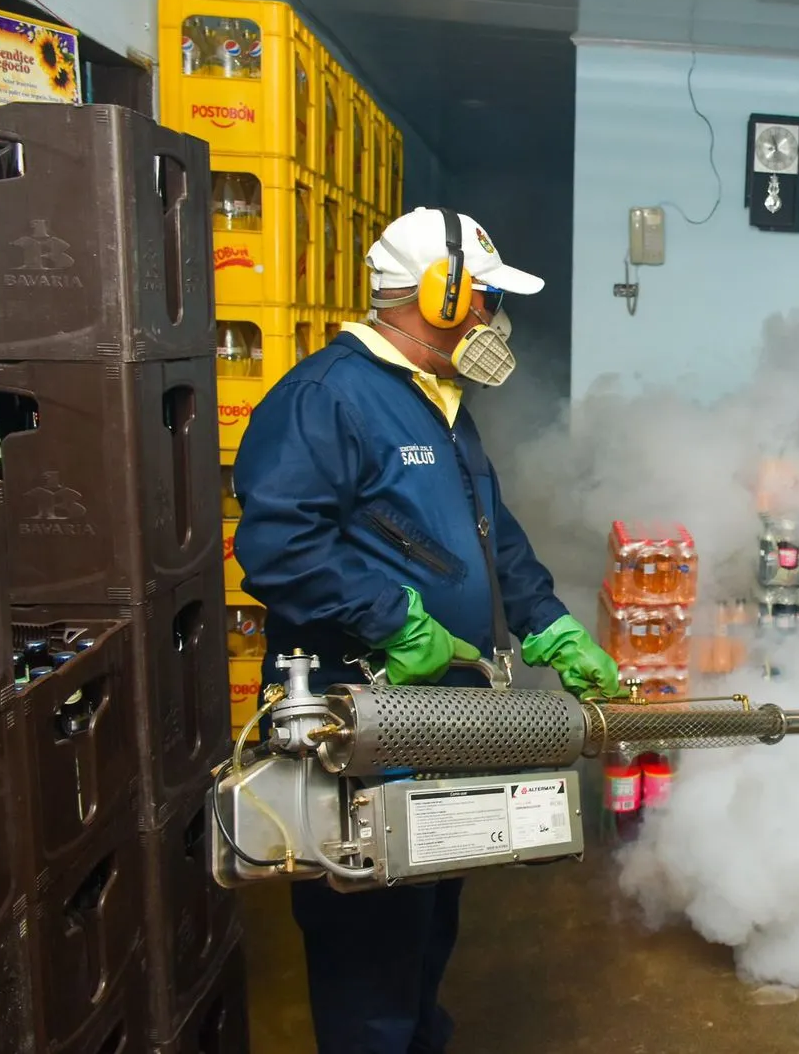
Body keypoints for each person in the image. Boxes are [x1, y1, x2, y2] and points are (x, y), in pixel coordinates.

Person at [232, 206, 623, 1052]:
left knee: (425, 937)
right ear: (441, 297)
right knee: (367, 959)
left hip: (436, 727)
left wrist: (548, 624)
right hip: (361, 731)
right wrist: (392, 621)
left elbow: (493, 535)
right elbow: (276, 546)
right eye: (484, 299)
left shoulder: (435, 402)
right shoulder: (325, 399)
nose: (493, 319)